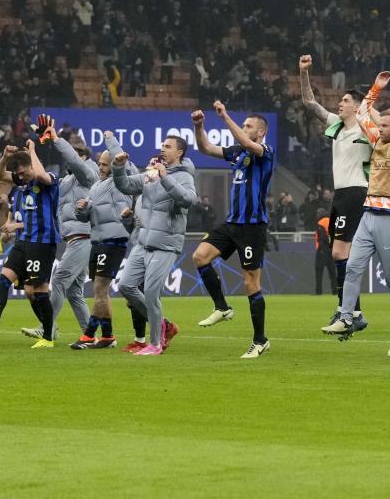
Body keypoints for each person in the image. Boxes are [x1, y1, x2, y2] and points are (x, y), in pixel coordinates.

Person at [321, 70, 390, 357]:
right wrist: (375, 87)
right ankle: (346, 317)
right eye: (382, 124)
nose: (380, 126)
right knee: (352, 267)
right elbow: (364, 111)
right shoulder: (376, 141)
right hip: (368, 214)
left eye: (386, 124)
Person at [191, 101, 274, 358]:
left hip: (252, 227)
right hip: (231, 223)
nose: (244, 128)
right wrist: (199, 126)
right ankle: (222, 307)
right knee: (200, 257)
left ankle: (260, 340)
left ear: (260, 132)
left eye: (248, 125)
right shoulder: (237, 152)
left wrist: (225, 117)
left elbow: (250, 145)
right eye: (243, 124)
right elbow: (205, 147)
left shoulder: (264, 151)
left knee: (250, 282)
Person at [299, 54, 370, 332]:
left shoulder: (367, 128)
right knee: (339, 254)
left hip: (356, 192)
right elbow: (309, 102)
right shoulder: (337, 125)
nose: (340, 103)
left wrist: (369, 106)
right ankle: (352, 311)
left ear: (358, 107)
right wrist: (304, 73)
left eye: (346, 101)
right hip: (340, 195)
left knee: (342, 253)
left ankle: (348, 312)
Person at [111, 136, 197, 356]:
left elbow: (188, 200)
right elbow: (125, 185)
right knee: (126, 286)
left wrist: (165, 178)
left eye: (168, 147)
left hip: (165, 244)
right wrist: (118, 167)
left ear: (179, 153)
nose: (163, 149)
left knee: (150, 292)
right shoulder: (150, 174)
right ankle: (164, 325)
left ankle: (156, 344)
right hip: (142, 242)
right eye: (162, 146)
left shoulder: (184, 176)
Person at [0, 141, 59, 349]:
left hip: (43, 243)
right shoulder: (19, 187)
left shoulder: (48, 182)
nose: (22, 176)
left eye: (24, 171)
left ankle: (48, 336)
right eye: (18, 173)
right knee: (4, 279)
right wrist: (4, 157)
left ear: (32, 166)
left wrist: (32, 151)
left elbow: (40, 175)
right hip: (23, 242)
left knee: (38, 290)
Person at [24, 117, 97, 341]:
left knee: (58, 281)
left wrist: (58, 141)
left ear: (84, 157)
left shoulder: (89, 175)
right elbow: (44, 180)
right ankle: (90, 335)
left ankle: (48, 327)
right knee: (74, 291)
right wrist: (33, 153)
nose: (68, 161)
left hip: (84, 237)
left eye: (75, 156)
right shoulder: (67, 181)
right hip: (71, 240)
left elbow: (75, 161)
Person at [71, 132, 137, 349]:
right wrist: (82, 210)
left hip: (114, 240)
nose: (100, 167)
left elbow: (122, 159)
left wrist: (110, 139)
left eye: (105, 165)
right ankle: (107, 336)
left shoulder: (122, 180)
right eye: (99, 164)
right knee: (101, 290)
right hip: (97, 241)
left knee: (100, 287)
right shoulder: (96, 186)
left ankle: (89, 334)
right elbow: (87, 216)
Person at [313, 209, 337, 296]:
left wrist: (321, 246)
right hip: (331, 250)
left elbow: (322, 237)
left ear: (320, 214)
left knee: (319, 272)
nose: (317, 215)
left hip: (322, 250)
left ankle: (318, 292)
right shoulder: (331, 221)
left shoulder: (321, 223)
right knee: (332, 272)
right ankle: (335, 291)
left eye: (318, 213)